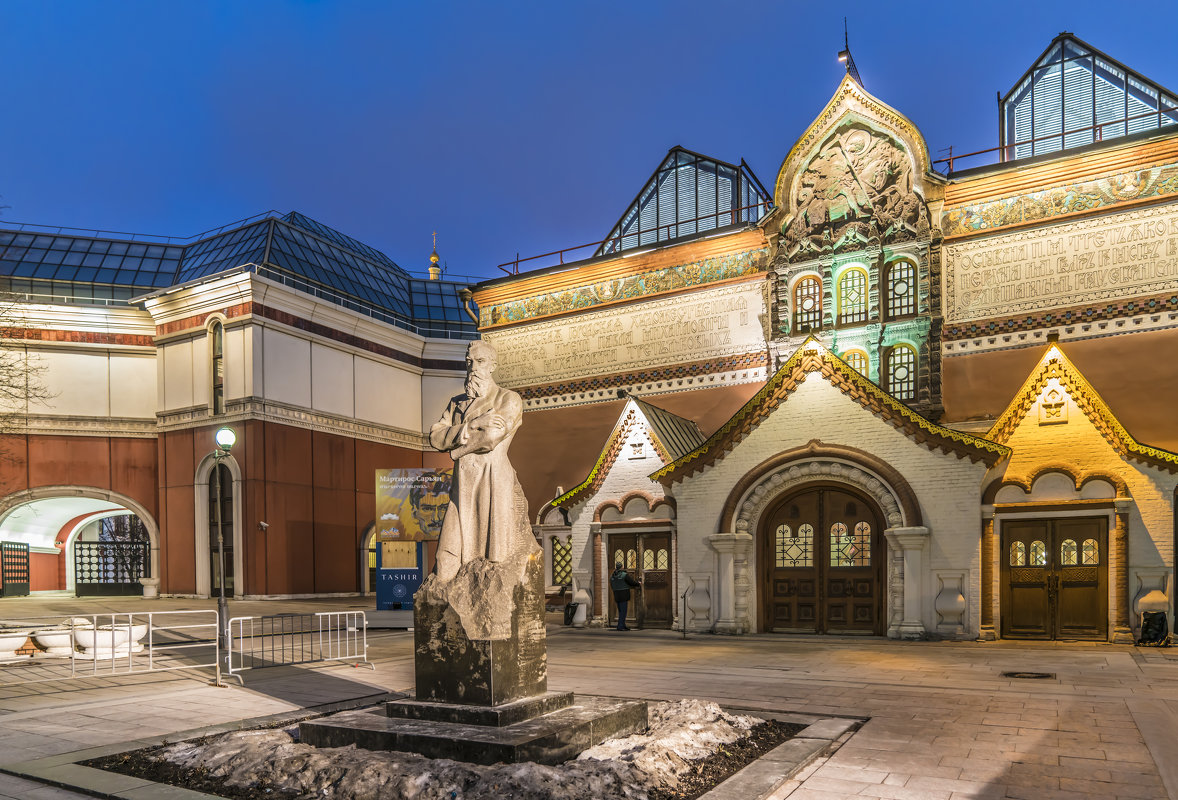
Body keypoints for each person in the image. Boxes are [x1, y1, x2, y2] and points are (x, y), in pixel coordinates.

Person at [429, 340, 538, 582]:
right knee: (446, 555)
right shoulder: (457, 403)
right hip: (461, 488)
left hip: (492, 481)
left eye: (479, 362)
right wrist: (472, 424)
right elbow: (435, 437)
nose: (473, 368)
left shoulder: (507, 399)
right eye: (469, 362)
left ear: (492, 366)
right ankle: (445, 603)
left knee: (492, 558)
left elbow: (491, 439)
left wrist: (456, 451)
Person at [610, 561, 640, 631]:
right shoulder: (624, 575)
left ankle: (623, 625)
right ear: (621, 567)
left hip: (616, 594)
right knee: (623, 611)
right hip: (624, 594)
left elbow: (612, 584)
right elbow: (631, 582)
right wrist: (638, 584)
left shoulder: (612, 575)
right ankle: (620, 626)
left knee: (620, 610)